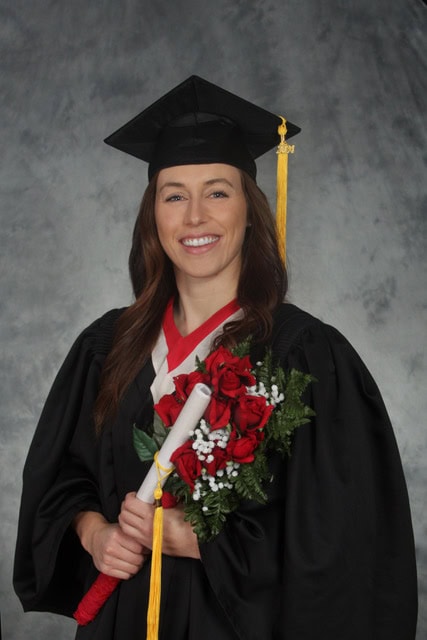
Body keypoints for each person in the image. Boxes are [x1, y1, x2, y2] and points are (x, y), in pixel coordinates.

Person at [13, 76, 418, 640]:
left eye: (218, 191)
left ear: (250, 211)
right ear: (153, 214)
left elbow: (345, 546)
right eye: (174, 194)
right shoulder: (109, 345)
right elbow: (62, 479)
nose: (195, 216)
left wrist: (200, 541)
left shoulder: (304, 356)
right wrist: (93, 533)